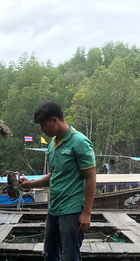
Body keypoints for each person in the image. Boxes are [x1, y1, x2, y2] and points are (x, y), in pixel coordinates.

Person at [20, 100, 96, 261]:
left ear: (54, 120)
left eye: (43, 124)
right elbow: (55, 174)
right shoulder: (52, 146)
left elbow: (91, 177)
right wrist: (31, 184)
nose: (41, 129)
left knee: (70, 256)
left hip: (72, 211)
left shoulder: (80, 142)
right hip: (53, 209)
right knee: (49, 255)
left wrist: (86, 213)